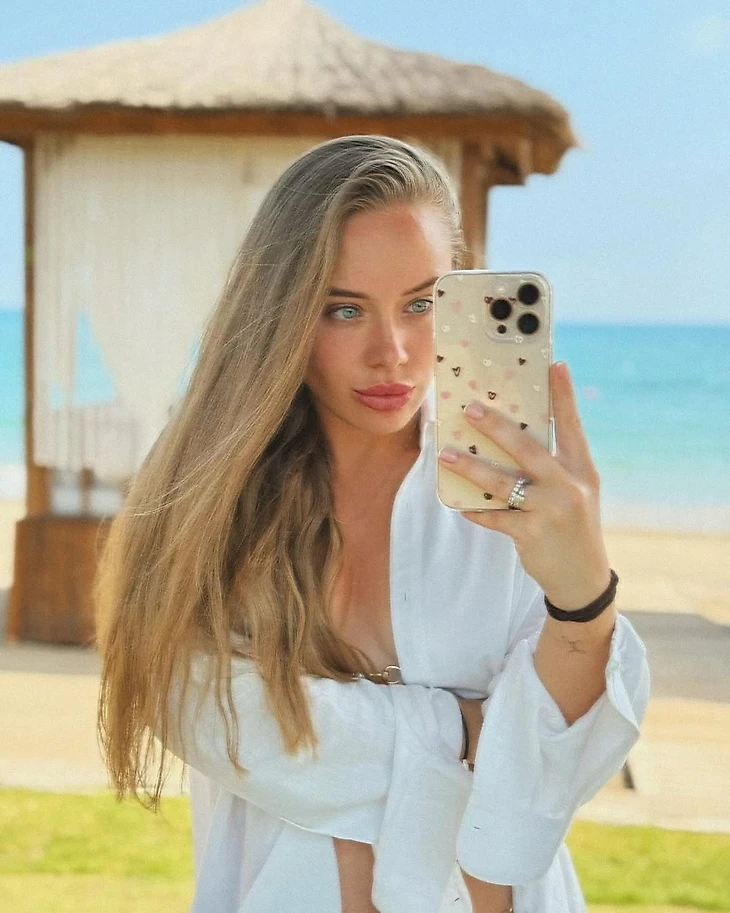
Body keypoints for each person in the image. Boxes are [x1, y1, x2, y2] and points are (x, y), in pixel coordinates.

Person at [96, 135, 650, 913]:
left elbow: (559, 774)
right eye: (343, 309)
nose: (391, 352)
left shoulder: (512, 496)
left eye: (421, 304)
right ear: (282, 312)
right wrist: (471, 730)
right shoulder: (211, 498)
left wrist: (583, 596)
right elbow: (214, 717)